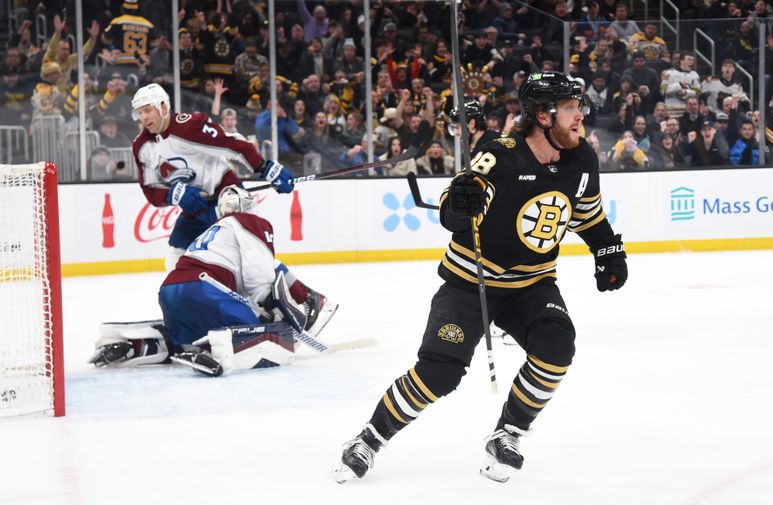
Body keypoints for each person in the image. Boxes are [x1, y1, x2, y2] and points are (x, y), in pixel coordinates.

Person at [333, 72, 628, 484]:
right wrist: (461, 202)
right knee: (440, 373)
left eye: (578, 107)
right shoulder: (501, 152)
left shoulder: (582, 160)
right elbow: (454, 214)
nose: (580, 115)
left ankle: (508, 434)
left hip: (532, 286)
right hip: (471, 284)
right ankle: (369, 438)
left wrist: (606, 248)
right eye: (570, 108)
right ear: (543, 116)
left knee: (557, 349)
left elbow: (587, 216)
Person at [92, 186, 338, 376]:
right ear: (247, 206)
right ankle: (215, 352)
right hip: (205, 289)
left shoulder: (216, 230)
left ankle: (139, 344)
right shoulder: (251, 221)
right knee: (262, 329)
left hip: (170, 293)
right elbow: (259, 275)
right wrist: (269, 308)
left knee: (187, 337)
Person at [130, 83, 294, 270]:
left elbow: (232, 144)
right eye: (139, 112)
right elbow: (150, 190)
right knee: (177, 259)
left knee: (252, 258)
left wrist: (265, 168)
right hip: (195, 207)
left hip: (227, 197)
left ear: (164, 107)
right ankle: (189, 298)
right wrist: (174, 194)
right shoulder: (142, 146)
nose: (143, 117)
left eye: (147, 110)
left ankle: (283, 292)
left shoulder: (188, 126)